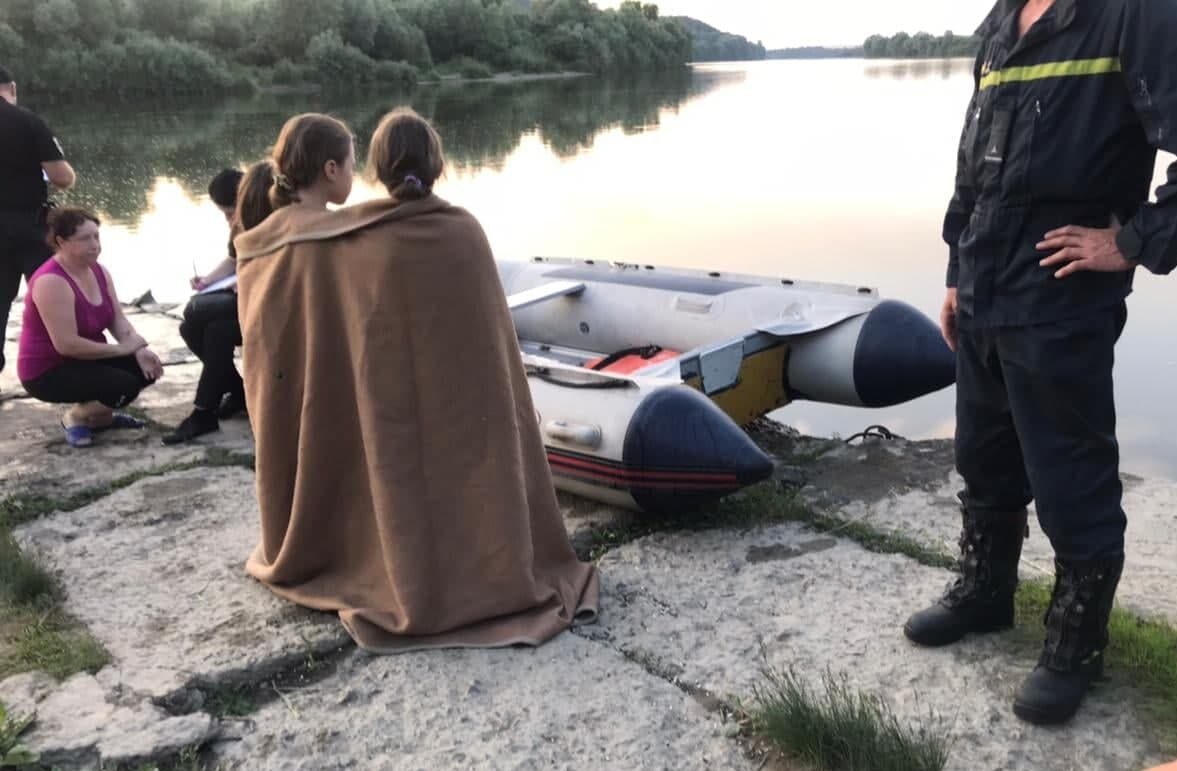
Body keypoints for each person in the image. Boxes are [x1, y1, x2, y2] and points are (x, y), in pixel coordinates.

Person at [233, 109, 599, 653]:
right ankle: (478, 558)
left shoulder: (317, 238)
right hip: (445, 400)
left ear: (378, 168)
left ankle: (380, 553)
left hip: (357, 402)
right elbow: (484, 342)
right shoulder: (450, 230)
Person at [903, 0, 1177, 726]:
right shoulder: (1000, 22)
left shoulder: (1134, 14)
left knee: (1070, 480)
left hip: (1061, 298)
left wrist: (1133, 242)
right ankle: (985, 593)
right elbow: (973, 168)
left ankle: (1074, 645)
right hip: (987, 287)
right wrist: (957, 272)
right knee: (982, 456)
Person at [17, 208, 163, 448]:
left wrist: (138, 349)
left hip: (86, 359)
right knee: (124, 384)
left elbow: (117, 319)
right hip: (48, 370)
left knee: (148, 367)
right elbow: (67, 345)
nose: (95, 245)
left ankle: (101, 419)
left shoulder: (99, 271)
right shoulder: (51, 281)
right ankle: (75, 417)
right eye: (85, 238)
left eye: (96, 236)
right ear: (61, 242)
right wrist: (122, 350)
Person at [1, 63, 77, 375]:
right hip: (30, 229)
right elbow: (62, 177)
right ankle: (72, 377)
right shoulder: (27, 121)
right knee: (53, 300)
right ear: (13, 88)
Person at [162, 168, 248, 445]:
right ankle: (237, 392)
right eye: (223, 213)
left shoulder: (267, 218)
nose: (228, 218)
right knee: (191, 328)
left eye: (230, 211)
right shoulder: (240, 222)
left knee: (214, 330)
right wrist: (208, 281)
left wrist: (246, 282)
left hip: (274, 309)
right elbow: (235, 259)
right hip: (246, 302)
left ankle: (205, 412)